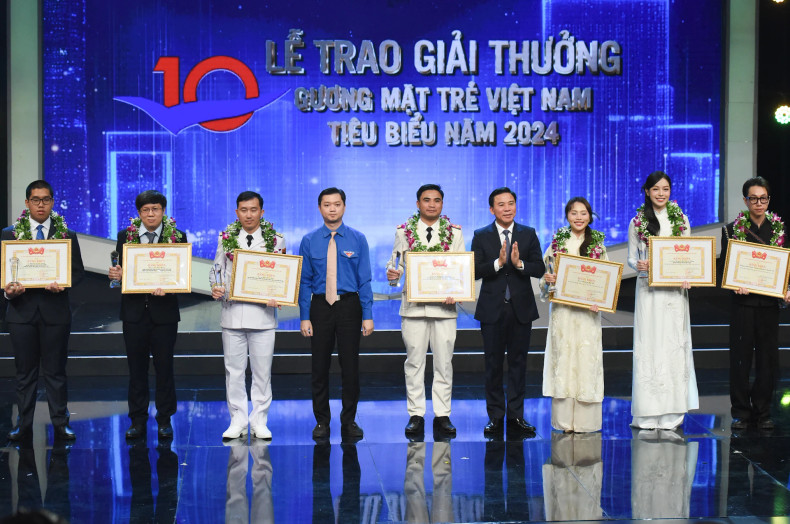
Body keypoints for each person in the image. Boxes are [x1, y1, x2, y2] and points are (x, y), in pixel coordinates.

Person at [2, 180, 83, 441]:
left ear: (52, 202)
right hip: (21, 313)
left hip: (55, 312)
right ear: (27, 203)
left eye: (46, 199)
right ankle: (22, 425)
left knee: (56, 372)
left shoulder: (66, 234)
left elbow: (78, 272)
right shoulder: (10, 234)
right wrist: (8, 291)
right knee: (25, 374)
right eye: (35, 200)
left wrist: (63, 283)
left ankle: (61, 423)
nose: (40, 204)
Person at [107, 190, 187, 440]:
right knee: (136, 369)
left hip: (164, 314)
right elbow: (122, 272)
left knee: (165, 368)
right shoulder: (125, 237)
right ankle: (137, 420)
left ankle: (165, 419)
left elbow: (182, 274)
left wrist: (171, 285)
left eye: (155, 209)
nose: (151, 214)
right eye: (145, 210)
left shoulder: (177, 236)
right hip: (134, 313)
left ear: (163, 211)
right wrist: (116, 276)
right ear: (138, 213)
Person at [386, 184, 465, 438]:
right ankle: (416, 414)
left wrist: (459, 289)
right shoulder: (403, 232)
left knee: (444, 362)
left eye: (437, 200)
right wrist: (393, 275)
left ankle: (442, 415)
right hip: (413, 308)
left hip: (445, 308)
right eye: (426, 200)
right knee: (414, 362)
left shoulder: (454, 233)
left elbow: (461, 269)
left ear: (442, 204)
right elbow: (394, 265)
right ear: (418, 203)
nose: (432, 204)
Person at [298, 187, 374, 441]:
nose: (332, 208)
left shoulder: (357, 238)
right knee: (319, 367)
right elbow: (305, 282)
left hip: (349, 307)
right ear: (319, 208)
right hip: (320, 308)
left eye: (337, 204)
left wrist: (368, 314)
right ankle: (322, 421)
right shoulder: (309, 241)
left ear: (344, 207)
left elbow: (364, 280)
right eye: (327, 204)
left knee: (350, 367)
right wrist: (304, 316)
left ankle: (349, 420)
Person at [627, 171, 698, 430]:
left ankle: (672, 412)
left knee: (672, 345)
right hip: (648, 291)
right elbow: (631, 258)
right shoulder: (637, 222)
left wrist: (690, 274)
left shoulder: (682, 220)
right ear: (647, 191)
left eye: (665, 189)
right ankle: (647, 412)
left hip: (674, 293)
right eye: (655, 189)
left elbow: (690, 255)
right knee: (650, 345)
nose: (661, 193)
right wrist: (639, 264)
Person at [211, 191, 285, 440]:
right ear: (237, 212)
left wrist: (280, 294)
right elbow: (216, 271)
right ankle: (238, 420)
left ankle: (260, 420)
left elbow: (283, 275)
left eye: (254, 210)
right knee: (234, 371)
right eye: (244, 210)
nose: (249, 214)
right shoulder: (225, 238)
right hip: (232, 314)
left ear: (261, 212)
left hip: (263, 317)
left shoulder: (276, 240)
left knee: (263, 371)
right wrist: (216, 287)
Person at [471, 187, 543, 438]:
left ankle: (516, 416)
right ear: (492, 209)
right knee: (492, 365)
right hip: (492, 310)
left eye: (510, 203)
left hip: (521, 310)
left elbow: (539, 267)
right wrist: (499, 263)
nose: (507, 208)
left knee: (518, 364)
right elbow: (474, 270)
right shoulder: (481, 236)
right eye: (501, 204)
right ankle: (495, 416)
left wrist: (519, 263)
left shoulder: (528, 233)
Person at [721, 177, 790, 430]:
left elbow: (786, 267)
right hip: (742, 304)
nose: (758, 203)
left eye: (763, 198)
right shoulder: (730, 230)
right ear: (745, 200)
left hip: (769, 305)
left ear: (768, 200)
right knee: (740, 359)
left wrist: (787, 288)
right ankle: (740, 411)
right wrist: (733, 281)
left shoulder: (780, 230)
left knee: (767, 360)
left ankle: (762, 411)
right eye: (753, 198)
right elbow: (724, 269)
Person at [540, 197, 606, 432]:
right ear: (567, 216)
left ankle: (586, 422)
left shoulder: (598, 244)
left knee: (586, 359)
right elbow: (545, 275)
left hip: (587, 314)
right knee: (564, 359)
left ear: (590, 216)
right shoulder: (558, 242)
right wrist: (547, 280)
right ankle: (564, 420)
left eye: (584, 213)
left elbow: (605, 279)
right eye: (574, 213)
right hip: (564, 313)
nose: (579, 217)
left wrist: (602, 300)